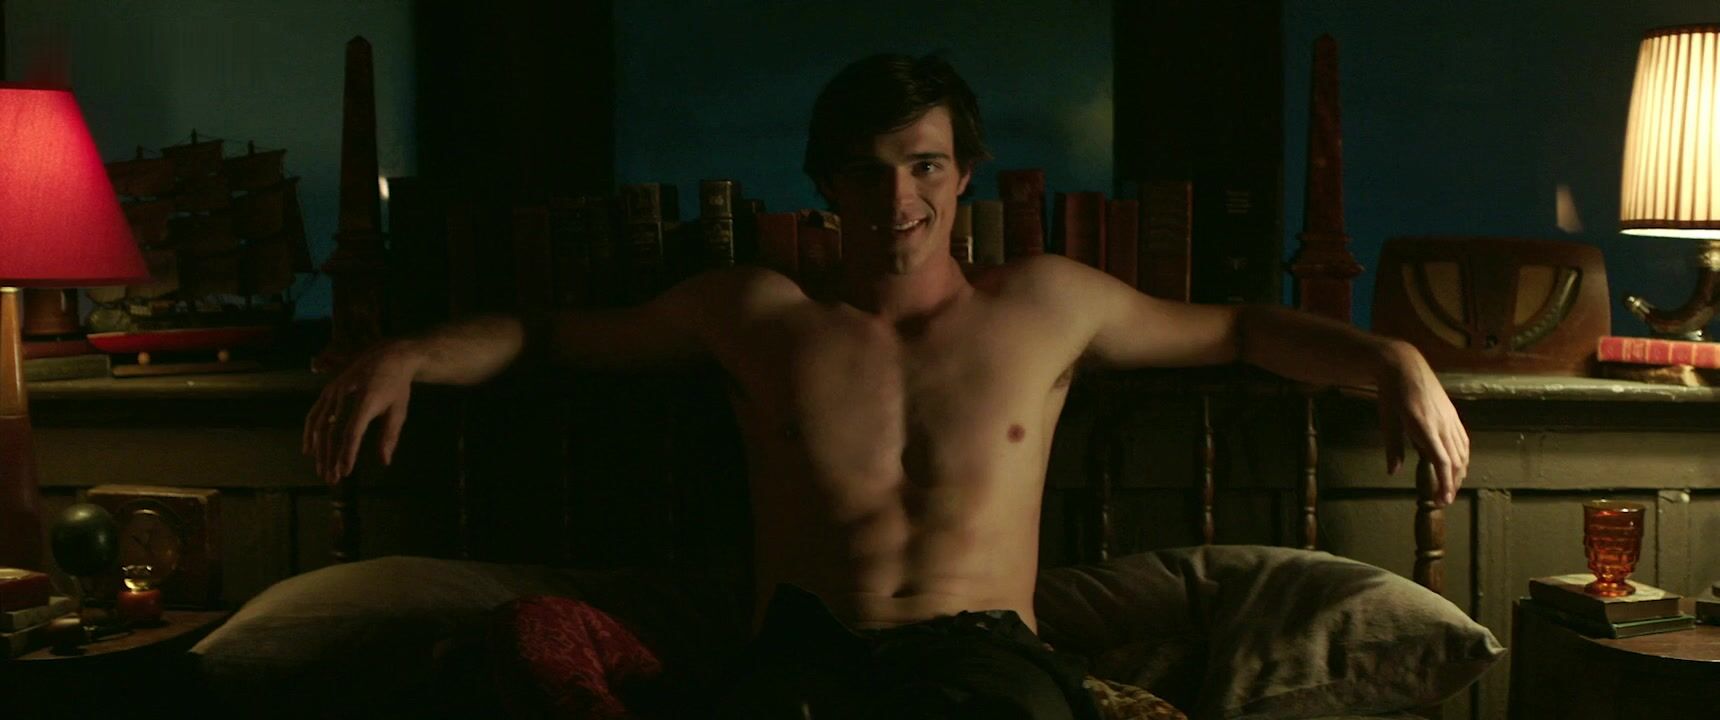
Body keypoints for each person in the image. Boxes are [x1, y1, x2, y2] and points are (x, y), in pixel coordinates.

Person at [303, 53, 1467, 720]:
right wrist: (408, 354)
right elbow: (548, 337)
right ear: (827, 186)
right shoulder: (756, 315)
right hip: (805, 657)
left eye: (923, 166)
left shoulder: (1046, 305)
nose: (897, 200)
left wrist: (1391, 358)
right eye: (867, 174)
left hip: (984, 662)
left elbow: (1242, 329)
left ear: (963, 175)